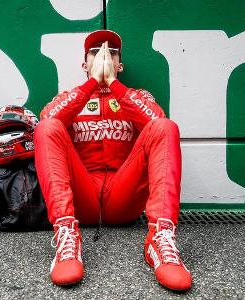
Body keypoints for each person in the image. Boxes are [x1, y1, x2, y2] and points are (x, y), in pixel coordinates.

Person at [33, 30, 192, 291]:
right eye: (95, 54)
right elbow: (48, 119)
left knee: (165, 127)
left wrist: (114, 86)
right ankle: (66, 237)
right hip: (82, 200)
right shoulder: (71, 96)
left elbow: (156, 121)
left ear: (120, 65)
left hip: (124, 198)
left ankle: (160, 239)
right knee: (47, 128)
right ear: (84, 65)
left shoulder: (137, 96)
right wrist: (92, 83)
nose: (103, 58)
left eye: (111, 54)